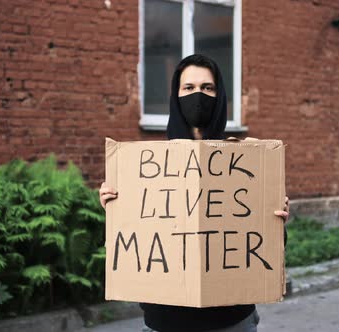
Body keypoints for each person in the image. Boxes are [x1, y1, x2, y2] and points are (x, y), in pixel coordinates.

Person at [99, 54, 289, 332]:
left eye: (207, 88)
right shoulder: (144, 167)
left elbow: (264, 245)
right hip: (166, 320)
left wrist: (277, 220)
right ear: (176, 96)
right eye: (188, 88)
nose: (198, 95)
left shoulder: (251, 163)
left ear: (220, 95)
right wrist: (116, 210)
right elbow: (136, 244)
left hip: (231, 319)